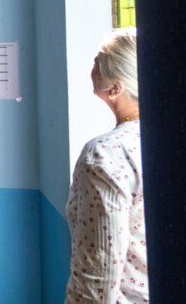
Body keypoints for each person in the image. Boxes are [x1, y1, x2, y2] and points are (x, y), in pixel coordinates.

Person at [65, 27, 148, 304]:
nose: (93, 62)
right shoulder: (175, 144)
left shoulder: (105, 154)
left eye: (99, 59)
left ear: (116, 89)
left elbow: (98, 270)